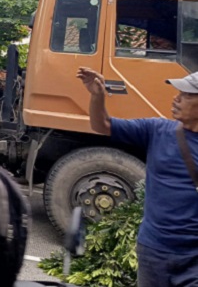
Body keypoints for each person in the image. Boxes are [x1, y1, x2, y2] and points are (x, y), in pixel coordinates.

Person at [77, 67, 198, 286]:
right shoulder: (157, 130)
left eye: (187, 94)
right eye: (178, 92)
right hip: (153, 251)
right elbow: (102, 125)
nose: (176, 98)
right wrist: (97, 96)